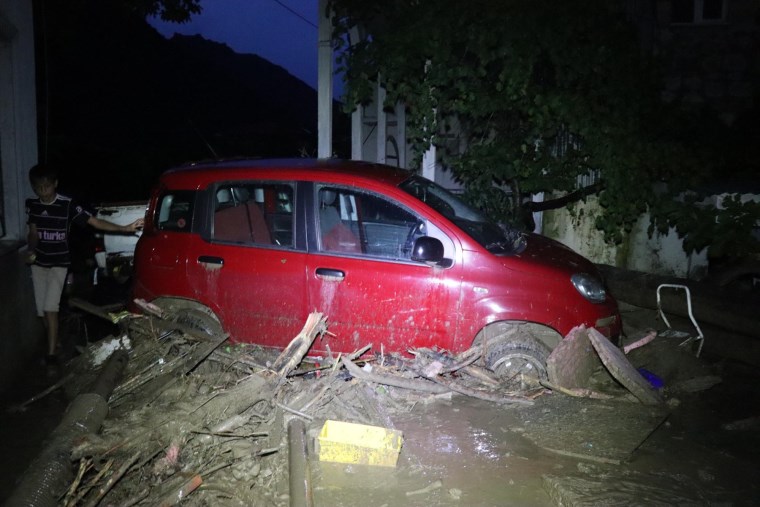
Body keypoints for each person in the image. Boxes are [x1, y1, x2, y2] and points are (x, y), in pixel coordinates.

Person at [25, 164, 144, 373]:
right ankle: (56, 341)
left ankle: (51, 355)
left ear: (55, 184)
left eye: (47, 187)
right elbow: (33, 232)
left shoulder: (67, 205)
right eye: (39, 188)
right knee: (42, 311)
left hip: (59, 263)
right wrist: (31, 249)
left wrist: (124, 228)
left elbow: (95, 222)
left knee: (50, 308)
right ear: (34, 188)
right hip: (39, 263)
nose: (43, 192)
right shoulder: (33, 206)